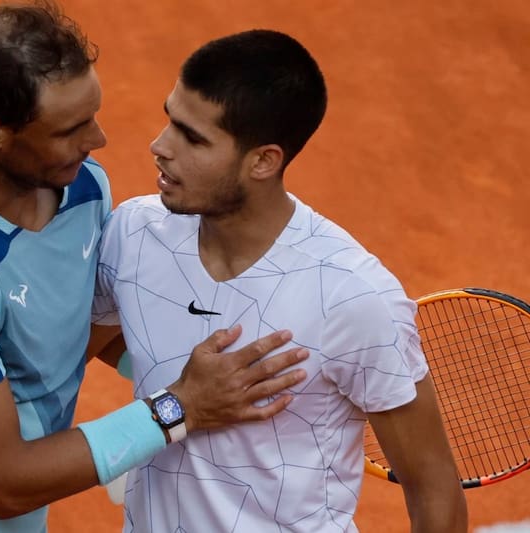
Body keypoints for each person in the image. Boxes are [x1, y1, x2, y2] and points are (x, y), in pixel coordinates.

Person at [0, 3, 310, 532]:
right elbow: (5, 483)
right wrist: (179, 407)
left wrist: (229, 382)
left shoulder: (83, 188)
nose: (97, 140)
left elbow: (73, 336)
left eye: (92, 116)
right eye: (69, 129)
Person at [92, 30, 468, 532]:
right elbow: (80, 347)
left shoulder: (351, 296)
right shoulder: (133, 234)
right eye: (170, 119)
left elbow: (433, 488)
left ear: (264, 161)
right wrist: (183, 391)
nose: (160, 147)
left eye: (193, 138)